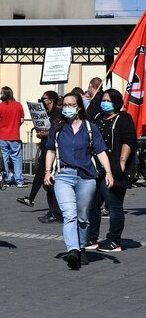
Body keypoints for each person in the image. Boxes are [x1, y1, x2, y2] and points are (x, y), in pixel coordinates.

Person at [43, 92, 113, 270]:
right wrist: (47, 171)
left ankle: (81, 247)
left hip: (86, 177)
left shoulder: (90, 128)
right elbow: (50, 150)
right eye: (64, 105)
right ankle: (72, 250)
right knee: (69, 214)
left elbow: (100, 151)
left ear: (79, 107)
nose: (67, 108)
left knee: (83, 217)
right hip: (63, 176)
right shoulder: (57, 127)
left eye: (71, 105)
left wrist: (109, 171)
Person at [86, 89, 135, 253]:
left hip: (115, 169)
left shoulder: (123, 118)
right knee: (93, 205)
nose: (104, 103)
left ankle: (114, 240)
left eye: (107, 100)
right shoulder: (98, 117)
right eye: (103, 100)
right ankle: (92, 238)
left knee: (114, 205)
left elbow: (128, 141)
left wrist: (122, 161)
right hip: (97, 168)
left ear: (115, 102)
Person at [18, 91, 64, 224]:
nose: (42, 101)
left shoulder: (57, 114)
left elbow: (55, 131)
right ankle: (52, 210)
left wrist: (44, 134)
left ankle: (56, 212)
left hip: (52, 151)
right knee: (45, 181)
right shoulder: (48, 114)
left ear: (51, 100)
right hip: (45, 149)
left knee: (49, 182)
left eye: (44, 99)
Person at [0, 86, 26, 188]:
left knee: (4, 159)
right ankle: (19, 180)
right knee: (16, 158)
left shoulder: (0, 106)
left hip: (2, 136)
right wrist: (15, 125)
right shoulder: (18, 105)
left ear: (4, 94)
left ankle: (6, 179)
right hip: (14, 136)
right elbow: (22, 120)